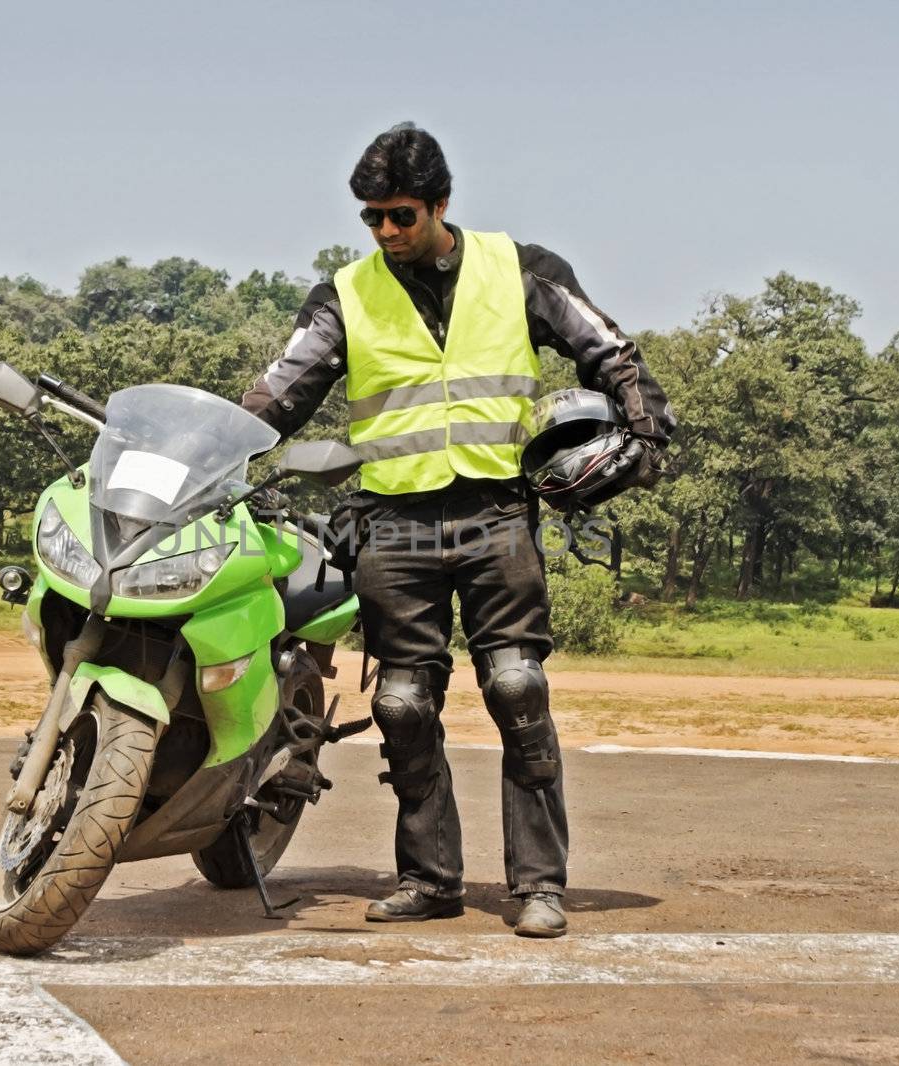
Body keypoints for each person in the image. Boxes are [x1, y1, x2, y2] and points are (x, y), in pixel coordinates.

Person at [240, 123, 674, 938]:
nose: (386, 232)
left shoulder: (522, 271)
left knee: (517, 688)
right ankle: (430, 878)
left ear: (441, 203)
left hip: (495, 514)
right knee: (403, 703)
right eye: (372, 218)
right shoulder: (345, 295)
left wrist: (646, 433)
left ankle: (540, 883)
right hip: (393, 523)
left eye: (400, 215)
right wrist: (214, 450)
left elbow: (611, 352)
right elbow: (278, 393)